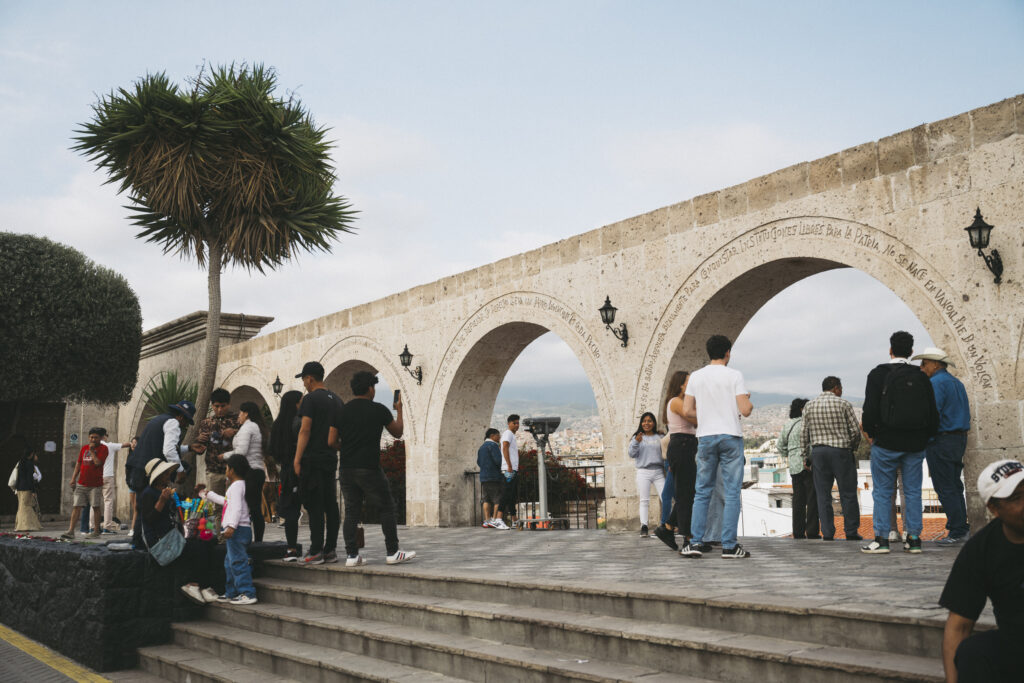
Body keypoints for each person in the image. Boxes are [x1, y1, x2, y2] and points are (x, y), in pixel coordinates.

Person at [938, 459, 1024, 682]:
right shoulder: (982, 549)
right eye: (1016, 498)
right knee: (974, 652)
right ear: (994, 509)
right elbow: (959, 627)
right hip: (1017, 645)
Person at [861, 331, 939, 554]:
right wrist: (925, 437)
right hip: (914, 444)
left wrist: (872, 434)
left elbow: (870, 410)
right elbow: (932, 413)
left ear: (890, 350)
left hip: (886, 442)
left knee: (883, 492)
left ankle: (882, 539)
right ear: (912, 352)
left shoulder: (878, 374)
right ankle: (913, 539)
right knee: (913, 491)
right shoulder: (921, 376)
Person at [680, 335, 753, 559]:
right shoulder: (735, 375)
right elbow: (746, 409)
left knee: (702, 491)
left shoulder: (696, 377)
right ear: (728, 353)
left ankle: (696, 541)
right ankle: (729, 546)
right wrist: (748, 400)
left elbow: (687, 411)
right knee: (731, 493)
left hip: (706, 436)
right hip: (730, 436)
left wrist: (704, 416)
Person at [333, 371, 414, 566]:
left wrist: (345, 448)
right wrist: (399, 410)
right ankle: (392, 551)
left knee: (351, 511)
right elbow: (398, 432)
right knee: (386, 507)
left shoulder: (342, 411)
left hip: (346, 468)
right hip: (369, 467)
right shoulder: (378, 409)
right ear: (370, 388)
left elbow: (330, 440)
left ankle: (352, 556)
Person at [139, 458, 223, 606]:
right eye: (165, 474)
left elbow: (185, 505)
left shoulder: (168, 492)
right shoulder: (148, 493)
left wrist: (197, 494)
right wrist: (161, 501)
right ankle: (193, 584)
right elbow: (149, 519)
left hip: (174, 536)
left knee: (209, 541)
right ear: (157, 477)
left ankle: (203, 586)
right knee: (196, 547)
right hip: (160, 542)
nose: (168, 476)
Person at [913, 346, 972, 545]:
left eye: (924, 363)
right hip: (957, 439)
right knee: (954, 484)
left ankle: (957, 530)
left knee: (945, 486)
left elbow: (932, 414)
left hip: (942, 440)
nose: (922, 368)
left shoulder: (935, 384)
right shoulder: (956, 383)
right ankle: (960, 526)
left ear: (936, 364)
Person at [292, 361, 343, 565]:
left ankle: (316, 550)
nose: (304, 384)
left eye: (304, 380)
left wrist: (297, 458)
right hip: (329, 458)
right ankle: (330, 549)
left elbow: (305, 429)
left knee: (314, 504)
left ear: (310, 378)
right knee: (330, 504)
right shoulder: (337, 400)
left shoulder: (310, 399)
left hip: (312, 459)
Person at [125, 400, 196, 546]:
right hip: (148, 470)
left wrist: (189, 448)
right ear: (181, 417)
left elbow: (163, 445)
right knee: (148, 508)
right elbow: (168, 451)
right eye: (186, 422)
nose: (185, 426)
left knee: (141, 506)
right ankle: (147, 544)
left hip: (137, 467)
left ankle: (137, 542)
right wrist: (180, 471)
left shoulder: (159, 419)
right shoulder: (173, 423)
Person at [800, 376, 862, 541]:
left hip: (819, 453)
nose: (841, 392)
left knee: (823, 494)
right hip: (841, 452)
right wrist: (852, 447)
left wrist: (806, 456)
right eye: (840, 388)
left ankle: (828, 533)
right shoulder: (844, 404)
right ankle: (851, 531)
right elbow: (855, 431)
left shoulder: (809, 406)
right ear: (836, 388)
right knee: (847, 493)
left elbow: (804, 434)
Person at [199, 454, 257, 605]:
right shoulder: (239, 486)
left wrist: (231, 526)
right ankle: (231, 592)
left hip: (236, 530)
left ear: (231, 470)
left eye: (227, 467)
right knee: (230, 562)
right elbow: (227, 503)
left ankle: (247, 593)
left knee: (238, 561)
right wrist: (209, 494)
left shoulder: (237, 486)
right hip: (239, 529)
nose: (225, 470)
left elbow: (236, 508)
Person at [655, 370, 698, 550]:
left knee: (687, 493)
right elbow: (693, 417)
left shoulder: (679, 402)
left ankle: (667, 528)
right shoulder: (676, 402)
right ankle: (687, 537)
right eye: (688, 382)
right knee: (685, 495)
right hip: (681, 445)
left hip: (684, 446)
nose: (691, 385)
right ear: (680, 384)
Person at [219, 401, 268, 543]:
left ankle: (257, 541)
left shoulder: (249, 427)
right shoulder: (253, 427)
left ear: (246, 413)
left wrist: (225, 456)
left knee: (252, 508)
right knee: (254, 507)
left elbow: (241, 451)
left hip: (251, 471)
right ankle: (256, 539)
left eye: (240, 413)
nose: (238, 416)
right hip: (256, 471)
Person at [270, 390, 303, 561]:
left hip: (286, 471)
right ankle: (320, 549)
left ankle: (291, 548)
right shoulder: (298, 423)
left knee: (290, 510)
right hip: (302, 469)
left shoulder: (277, 425)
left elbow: (272, 451)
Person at [778, 398, 818, 539]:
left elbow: (780, 446)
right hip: (808, 464)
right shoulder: (808, 423)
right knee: (812, 498)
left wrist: (789, 455)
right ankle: (812, 531)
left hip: (794, 466)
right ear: (802, 409)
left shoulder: (787, 425)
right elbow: (813, 444)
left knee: (798, 500)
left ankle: (798, 531)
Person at [192, 388, 239, 501]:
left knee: (232, 503)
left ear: (229, 404)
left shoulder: (237, 420)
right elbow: (200, 449)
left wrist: (235, 432)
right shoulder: (206, 423)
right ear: (212, 405)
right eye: (216, 406)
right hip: (213, 470)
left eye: (223, 406)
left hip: (234, 470)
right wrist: (198, 440)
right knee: (216, 506)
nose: (220, 409)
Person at [61, 428, 108, 540]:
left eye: (95, 437)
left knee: (95, 506)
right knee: (76, 506)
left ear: (100, 438)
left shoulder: (103, 449)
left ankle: (96, 531)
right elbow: (78, 464)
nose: (93, 439)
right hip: (82, 483)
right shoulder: (84, 448)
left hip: (95, 484)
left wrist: (92, 451)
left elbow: (98, 463)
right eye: (91, 437)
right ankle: (71, 531)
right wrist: (73, 479)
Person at [629, 412, 666, 538]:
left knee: (665, 497)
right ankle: (644, 525)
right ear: (641, 423)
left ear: (654, 423)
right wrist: (636, 442)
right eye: (644, 421)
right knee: (644, 500)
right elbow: (631, 454)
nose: (647, 423)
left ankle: (666, 524)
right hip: (643, 471)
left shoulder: (660, 436)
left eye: (650, 421)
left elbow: (666, 448)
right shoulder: (637, 437)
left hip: (658, 471)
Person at [98, 429, 134, 533]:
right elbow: (124, 444)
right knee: (108, 501)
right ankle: (107, 527)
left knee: (94, 503)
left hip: (97, 476)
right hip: (108, 476)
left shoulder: (94, 447)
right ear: (104, 436)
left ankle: (92, 527)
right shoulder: (109, 446)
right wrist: (133, 443)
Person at [478, 428, 508, 529]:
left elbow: (478, 461)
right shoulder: (493, 446)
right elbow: (498, 460)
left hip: (484, 476)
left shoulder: (481, 447)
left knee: (486, 499)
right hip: (494, 476)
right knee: (497, 499)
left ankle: (487, 520)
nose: (499, 437)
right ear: (492, 436)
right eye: (498, 435)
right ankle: (495, 519)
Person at [12, 442, 42, 532]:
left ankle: (22, 525)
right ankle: (24, 526)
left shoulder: (21, 462)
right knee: (26, 507)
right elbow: (29, 478)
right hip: (26, 488)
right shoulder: (29, 464)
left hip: (20, 488)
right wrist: (33, 491)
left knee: (22, 506)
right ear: (31, 454)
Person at [499, 415, 521, 525]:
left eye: (518, 423)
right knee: (506, 493)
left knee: (511, 495)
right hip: (509, 469)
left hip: (512, 469)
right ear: (509, 423)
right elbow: (504, 447)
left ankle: (514, 519)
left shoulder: (511, 435)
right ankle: (498, 518)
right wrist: (509, 465)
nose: (517, 425)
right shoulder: (508, 434)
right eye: (514, 423)